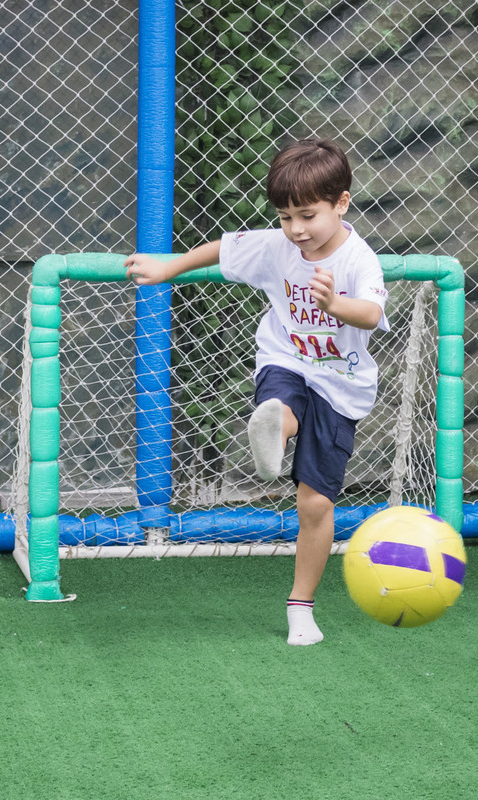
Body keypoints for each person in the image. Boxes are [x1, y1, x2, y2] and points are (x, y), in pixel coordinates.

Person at [125, 137, 388, 645]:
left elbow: (372, 313)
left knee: (314, 506)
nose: (295, 230)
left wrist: (337, 305)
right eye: (285, 217)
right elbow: (224, 248)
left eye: (307, 216)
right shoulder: (278, 246)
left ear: (342, 204)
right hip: (285, 358)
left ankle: (301, 608)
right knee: (280, 400)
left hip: (341, 383)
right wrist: (166, 267)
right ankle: (276, 429)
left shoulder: (359, 260)